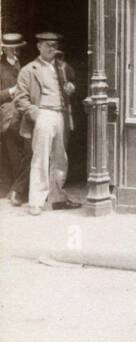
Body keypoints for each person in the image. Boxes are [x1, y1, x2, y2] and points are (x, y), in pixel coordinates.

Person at [13, 32, 82, 216]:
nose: (52, 48)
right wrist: (35, 113)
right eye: (48, 45)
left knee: (61, 158)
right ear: (39, 46)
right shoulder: (29, 69)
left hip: (61, 115)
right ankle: (36, 202)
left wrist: (70, 89)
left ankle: (57, 197)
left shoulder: (63, 67)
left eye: (55, 44)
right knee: (40, 158)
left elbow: (72, 87)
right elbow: (20, 98)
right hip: (43, 114)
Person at [0, 32, 30, 203]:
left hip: (23, 115)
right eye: (11, 49)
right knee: (14, 155)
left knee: (27, 153)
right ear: (4, 49)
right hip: (8, 118)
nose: (15, 52)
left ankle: (17, 190)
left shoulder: (23, 66)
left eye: (17, 49)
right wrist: (11, 92)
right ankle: (16, 192)